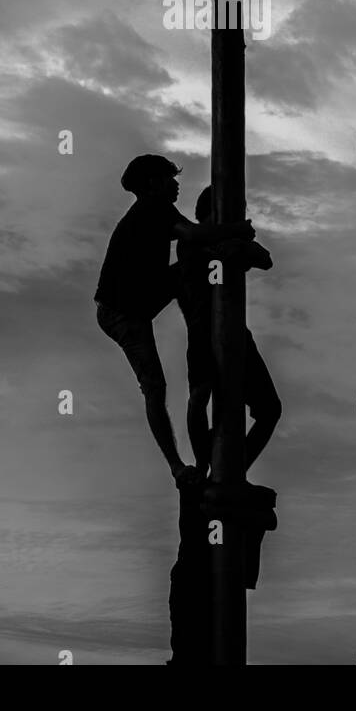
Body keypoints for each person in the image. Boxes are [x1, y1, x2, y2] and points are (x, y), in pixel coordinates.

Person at [95, 154, 255, 487]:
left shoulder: (157, 211)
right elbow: (194, 235)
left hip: (140, 299)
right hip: (123, 312)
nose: (177, 184)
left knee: (190, 260)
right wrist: (236, 230)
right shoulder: (153, 209)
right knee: (154, 387)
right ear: (153, 184)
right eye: (170, 178)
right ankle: (176, 466)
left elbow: (193, 238)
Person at [176, 185, 282, 475]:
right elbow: (213, 258)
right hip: (202, 332)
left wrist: (241, 246)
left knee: (270, 409)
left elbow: (265, 259)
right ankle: (201, 465)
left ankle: (233, 472)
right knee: (200, 397)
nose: (244, 216)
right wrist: (234, 247)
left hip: (237, 336)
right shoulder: (189, 240)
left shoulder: (230, 240)